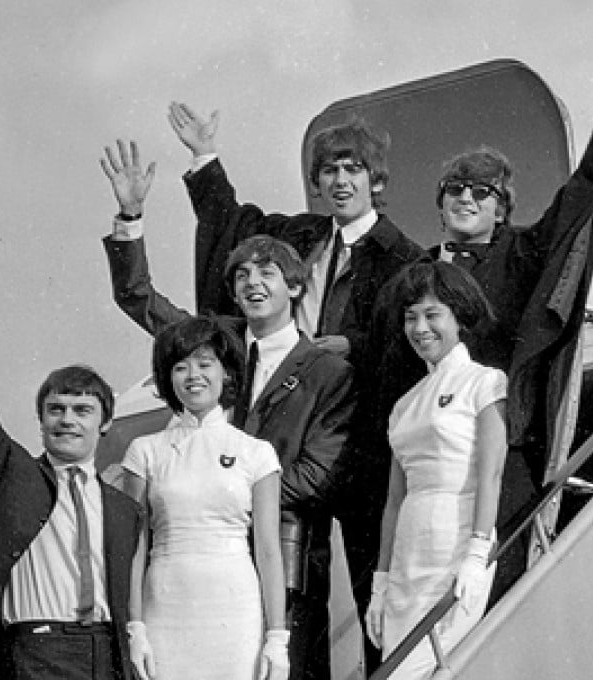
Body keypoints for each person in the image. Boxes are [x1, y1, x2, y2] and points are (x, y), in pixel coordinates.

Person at [373, 51, 593, 606]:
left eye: (481, 191)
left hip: (505, 451)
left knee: (496, 592)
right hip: (428, 458)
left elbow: (584, 204)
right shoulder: (411, 280)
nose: (465, 196)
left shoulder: (525, 254)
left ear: (502, 209)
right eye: (455, 188)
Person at [167, 104, 424, 672]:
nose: (339, 181)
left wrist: (349, 347)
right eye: (329, 170)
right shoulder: (302, 236)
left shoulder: (403, 258)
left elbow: (402, 344)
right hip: (292, 435)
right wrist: (205, 156)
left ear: (375, 180)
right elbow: (232, 226)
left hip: (358, 447)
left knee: (373, 591)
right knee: (290, 592)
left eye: (352, 169)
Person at [99, 139, 356, 680]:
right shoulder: (215, 347)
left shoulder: (327, 370)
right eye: (242, 276)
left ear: (294, 285)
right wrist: (130, 217)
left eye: (266, 274)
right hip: (197, 577)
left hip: (283, 566)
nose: (252, 284)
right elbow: (139, 298)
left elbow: (315, 476)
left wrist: (229, 489)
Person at [0, 234, 144, 680]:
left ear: (104, 422)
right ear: (40, 420)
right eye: (56, 410)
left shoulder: (125, 509)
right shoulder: (14, 478)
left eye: (82, 410)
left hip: (108, 655)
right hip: (36, 653)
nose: (68, 421)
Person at [120, 315, 288, 680]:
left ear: (226, 373)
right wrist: (135, 628)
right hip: (165, 605)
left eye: (204, 364)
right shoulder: (144, 452)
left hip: (235, 608)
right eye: (180, 367)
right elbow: (133, 546)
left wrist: (277, 637)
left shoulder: (256, 453)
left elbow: (269, 550)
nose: (193, 375)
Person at [366, 261, 507, 680]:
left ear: (459, 317)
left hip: (457, 541)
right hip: (409, 550)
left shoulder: (484, 382)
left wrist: (477, 554)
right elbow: (394, 501)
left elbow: (490, 474)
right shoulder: (404, 404)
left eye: (432, 314)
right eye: (411, 317)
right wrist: (380, 582)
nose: (420, 328)